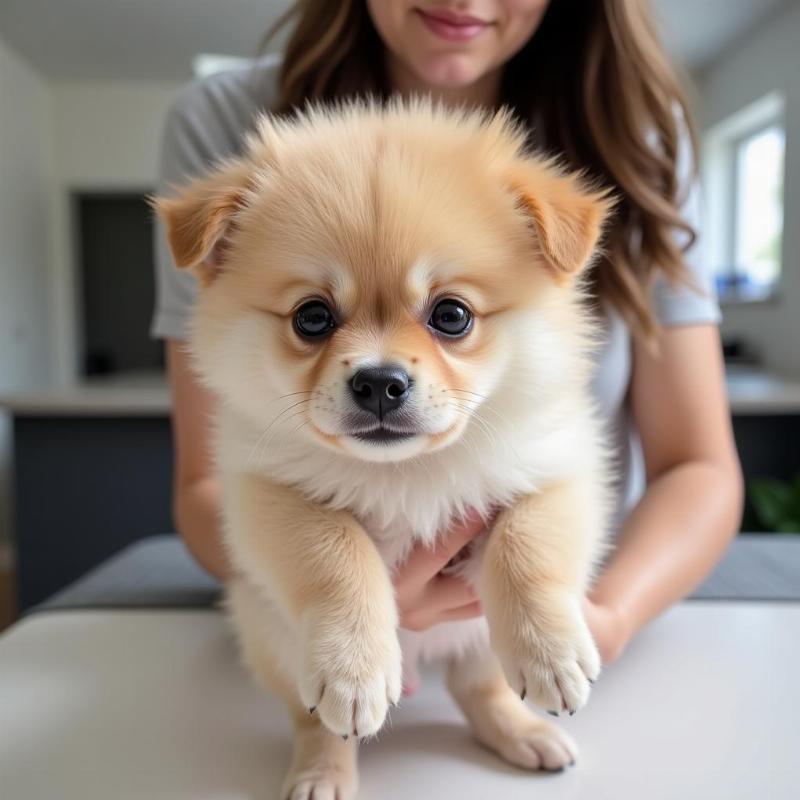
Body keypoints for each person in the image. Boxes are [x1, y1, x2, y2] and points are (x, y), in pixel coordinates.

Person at [152, 0, 743, 666]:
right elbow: (212, 484)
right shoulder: (228, 126)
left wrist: (597, 618)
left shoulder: (635, 132)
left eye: (451, 317)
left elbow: (698, 467)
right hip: (308, 647)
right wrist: (337, 605)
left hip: (557, 636)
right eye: (315, 319)